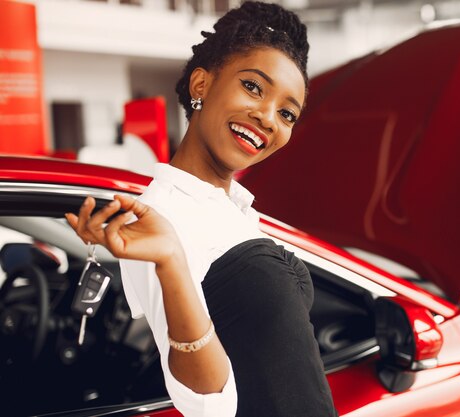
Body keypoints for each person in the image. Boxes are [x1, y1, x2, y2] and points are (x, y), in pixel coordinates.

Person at [66, 2, 338, 417]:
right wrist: (172, 260)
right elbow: (208, 405)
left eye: (287, 113)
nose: (267, 118)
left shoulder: (235, 208)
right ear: (201, 85)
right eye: (252, 87)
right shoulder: (160, 218)